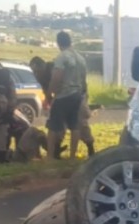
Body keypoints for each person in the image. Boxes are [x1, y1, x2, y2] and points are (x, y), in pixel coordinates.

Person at [30, 55, 95, 157]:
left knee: (80, 121)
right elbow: (46, 90)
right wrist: (51, 102)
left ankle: (89, 146)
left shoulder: (55, 68)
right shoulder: (39, 75)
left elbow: (59, 82)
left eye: (37, 71)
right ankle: (56, 149)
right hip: (60, 96)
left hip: (76, 93)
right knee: (58, 123)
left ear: (42, 66)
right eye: (34, 71)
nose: (36, 74)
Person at [46, 31, 89, 160]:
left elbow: (57, 76)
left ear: (58, 43)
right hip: (77, 94)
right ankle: (72, 156)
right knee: (74, 125)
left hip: (63, 94)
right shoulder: (81, 58)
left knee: (53, 126)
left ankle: (49, 156)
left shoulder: (62, 57)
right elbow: (84, 79)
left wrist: (50, 92)